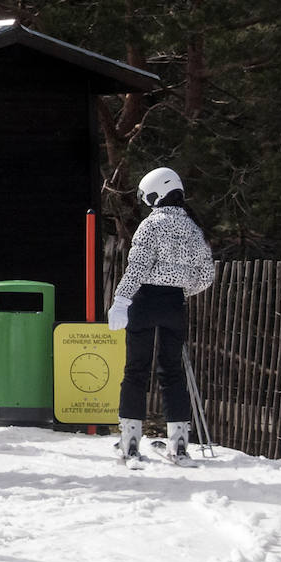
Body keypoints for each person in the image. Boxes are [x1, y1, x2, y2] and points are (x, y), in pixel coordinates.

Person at [108, 166, 214, 468]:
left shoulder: (151, 225)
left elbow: (138, 268)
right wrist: (182, 291)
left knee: (136, 371)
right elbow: (205, 274)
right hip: (174, 305)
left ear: (156, 194)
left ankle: (129, 443)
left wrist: (121, 300)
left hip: (144, 301)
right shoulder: (194, 228)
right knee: (172, 373)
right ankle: (179, 445)